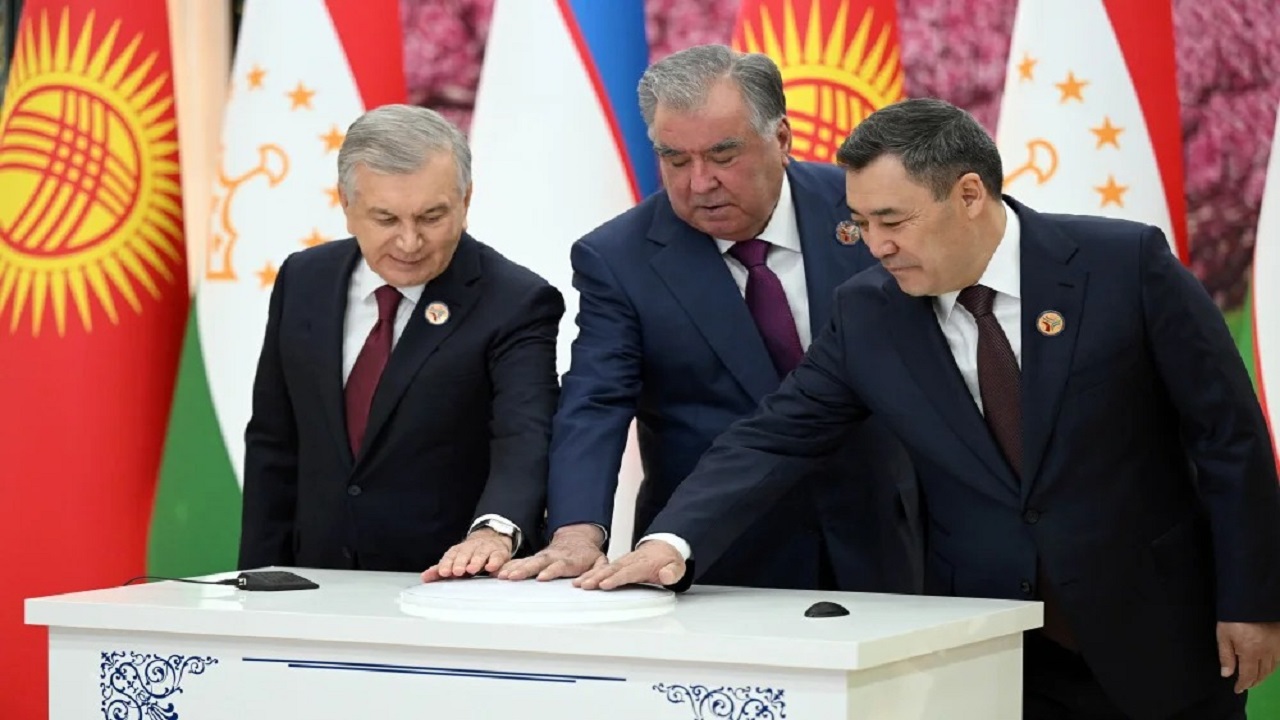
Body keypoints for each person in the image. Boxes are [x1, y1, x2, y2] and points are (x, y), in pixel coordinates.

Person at [577, 98, 1280, 720]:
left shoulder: (1123, 265)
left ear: (969, 194)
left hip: (1159, 632)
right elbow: (774, 436)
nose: (876, 245)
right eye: (860, 222)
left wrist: (1254, 600)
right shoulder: (869, 312)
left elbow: (1229, 437)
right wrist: (671, 544)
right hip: (986, 649)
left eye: (893, 220)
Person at [499, 45, 921, 594]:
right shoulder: (618, 258)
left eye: (723, 156)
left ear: (782, 139)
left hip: (886, 531)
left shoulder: (863, 211)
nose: (699, 183)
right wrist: (577, 530)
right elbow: (597, 399)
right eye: (676, 160)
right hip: (712, 553)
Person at [238, 104, 563, 578]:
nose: (409, 242)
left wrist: (494, 531)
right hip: (316, 582)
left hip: (448, 583)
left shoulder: (515, 301)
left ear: (466, 200)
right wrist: (257, 577)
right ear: (347, 206)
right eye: (386, 219)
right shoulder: (304, 280)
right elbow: (275, 441)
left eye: (431, 217)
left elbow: (525, 437)